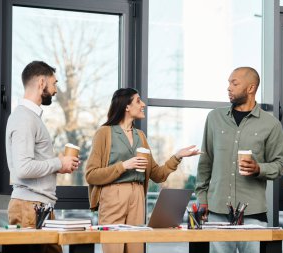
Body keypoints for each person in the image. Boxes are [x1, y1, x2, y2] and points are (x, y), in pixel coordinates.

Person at [85, 88, 201, 253]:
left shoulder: (141, 136)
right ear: (126, 106)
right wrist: (124, 165)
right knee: (114, 248)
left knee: (136, 249)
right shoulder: (105, 133)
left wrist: (177, 156)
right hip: (113, 195)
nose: (143, 104)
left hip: (138, 196)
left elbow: (158, 175)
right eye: (138, 100)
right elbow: (91, 175)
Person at [195, 67, 283, 253]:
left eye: (234, 83)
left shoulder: (270, 125)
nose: (228, 88)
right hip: (217, 212)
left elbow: (281, 165)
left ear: (251, 88)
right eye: (229, 83)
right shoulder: (214, 118)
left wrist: (258, 168)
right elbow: (205, 162)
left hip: (253, 212)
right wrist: (202, 198)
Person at [5, 61, 79, 253]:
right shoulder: (24, 119)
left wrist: (60, 165)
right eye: (54, 83)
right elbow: (23, 168)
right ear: (41, 82)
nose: (55, 90)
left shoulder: (31, 118)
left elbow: (32, 163)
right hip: (29, 208)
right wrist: (57, 162)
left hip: (38, 207)